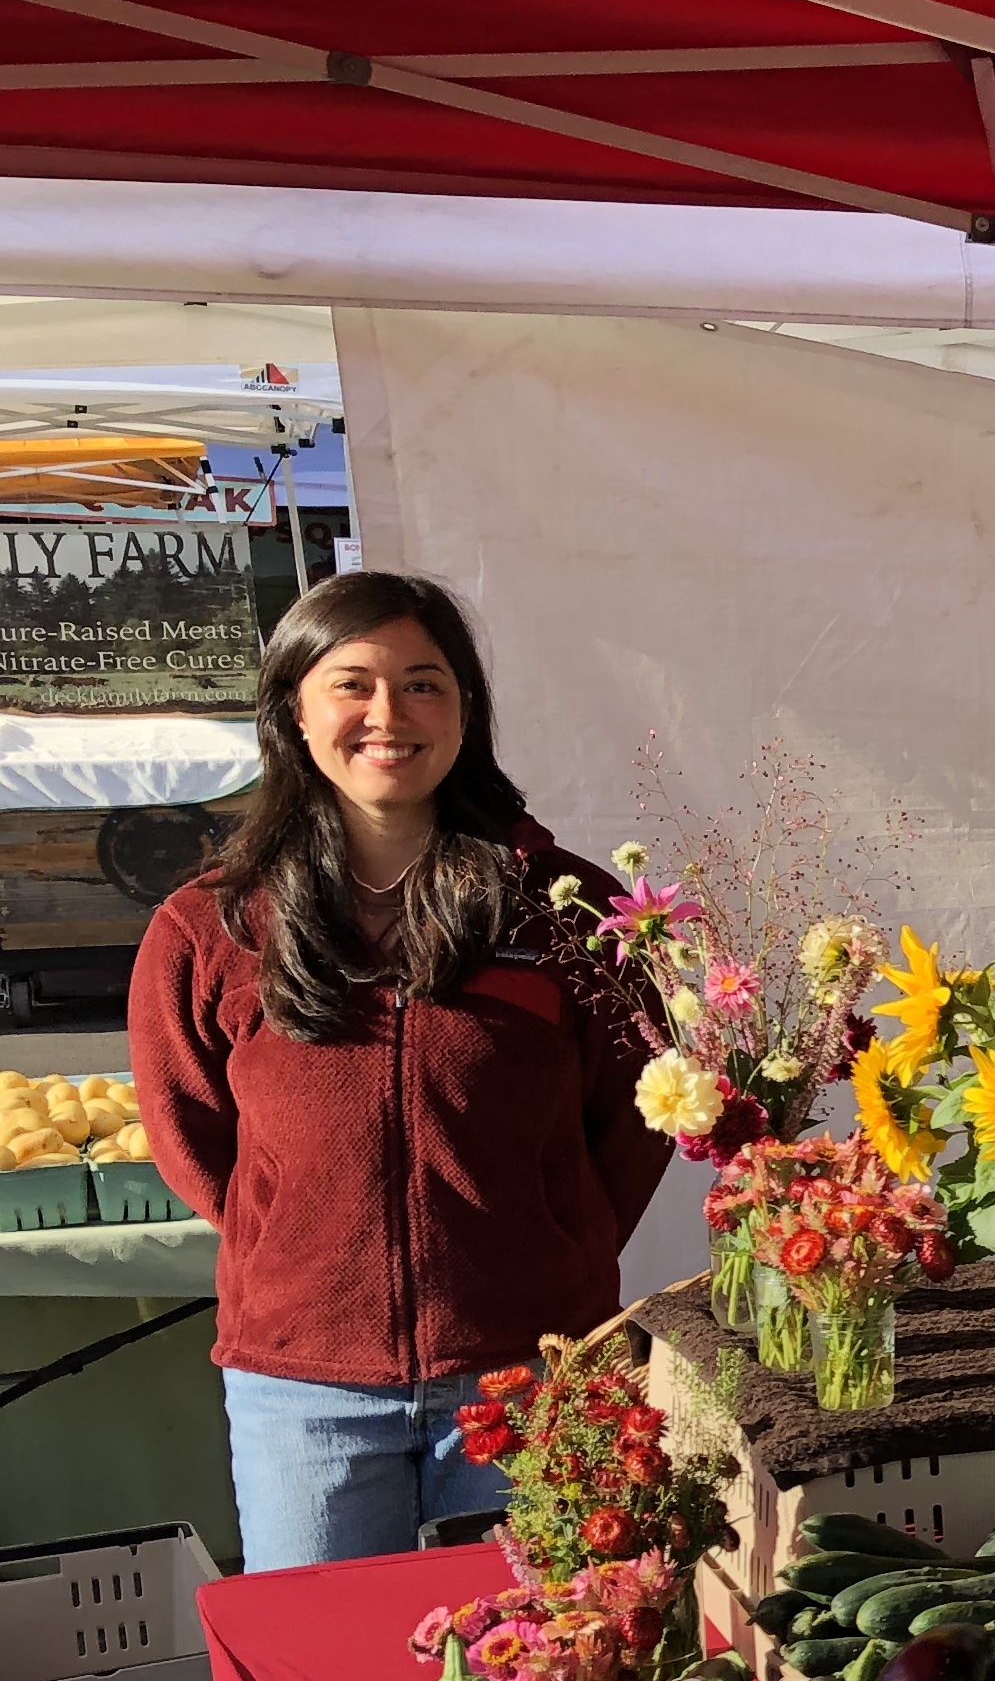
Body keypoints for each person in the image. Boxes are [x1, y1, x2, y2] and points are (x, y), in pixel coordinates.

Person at [131, 572, 667, 1569]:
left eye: (425, 684)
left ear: (466, 711)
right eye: (354, 684)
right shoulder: (208, 927)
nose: (390, 715)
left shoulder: (564, 911)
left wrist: (550, 1243)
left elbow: (633, 1122)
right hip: (304, 1391)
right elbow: (191, 1133)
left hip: (533, 1372)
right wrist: (296, 1238)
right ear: (295, 707)